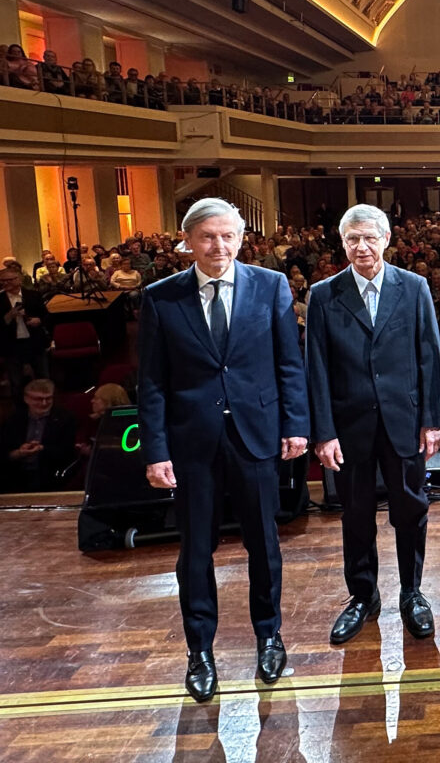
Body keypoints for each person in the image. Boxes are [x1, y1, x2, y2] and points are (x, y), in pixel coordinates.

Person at [137, 198, 309, 703]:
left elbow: (288, 363)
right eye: (209, 237)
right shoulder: (160, 297)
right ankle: (200, 651)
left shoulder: (271, 285)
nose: (220, 247)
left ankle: (269, 635)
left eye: (229, 236)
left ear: (241, 238)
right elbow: (151, 382)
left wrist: (295, 424)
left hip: (255, 435)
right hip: (192, 442)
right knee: (195, 551)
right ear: (188, 241)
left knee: (265, 544)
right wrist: (155, 450)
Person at [305, 204, 440, 643]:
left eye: (369, 238)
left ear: (386, 239)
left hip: (403, 422)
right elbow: (318, 370)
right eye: (353, 240)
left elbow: (429, 357)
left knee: (410, 510)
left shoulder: (415, 286)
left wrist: (433, 421)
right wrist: (323, 431)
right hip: (349, 428)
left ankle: (412, 592)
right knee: (357, 516)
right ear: (343, 243)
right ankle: (363, 597)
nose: (361, 247)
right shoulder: (324, 294)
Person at [0, 379, 77, 492]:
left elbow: (67, 452)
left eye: (48, 398)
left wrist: (42, 449)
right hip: (15, 476)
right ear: (26, 399)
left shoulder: (66, 419)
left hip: (50, 476)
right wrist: (19, 453)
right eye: (38, 399)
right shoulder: (12, 420)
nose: (44, 403)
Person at [0, 267, 51, 399]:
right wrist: (8, 316)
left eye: (9, 280)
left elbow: (46, 316)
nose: (6, 283)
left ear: (19, 279)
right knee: (16, 382)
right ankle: (20, 411)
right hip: (11, 346)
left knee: (43, 377)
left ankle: (47, 404)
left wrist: (38, 320)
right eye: (3, 281)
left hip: (34, 342)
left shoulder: (33, 295)